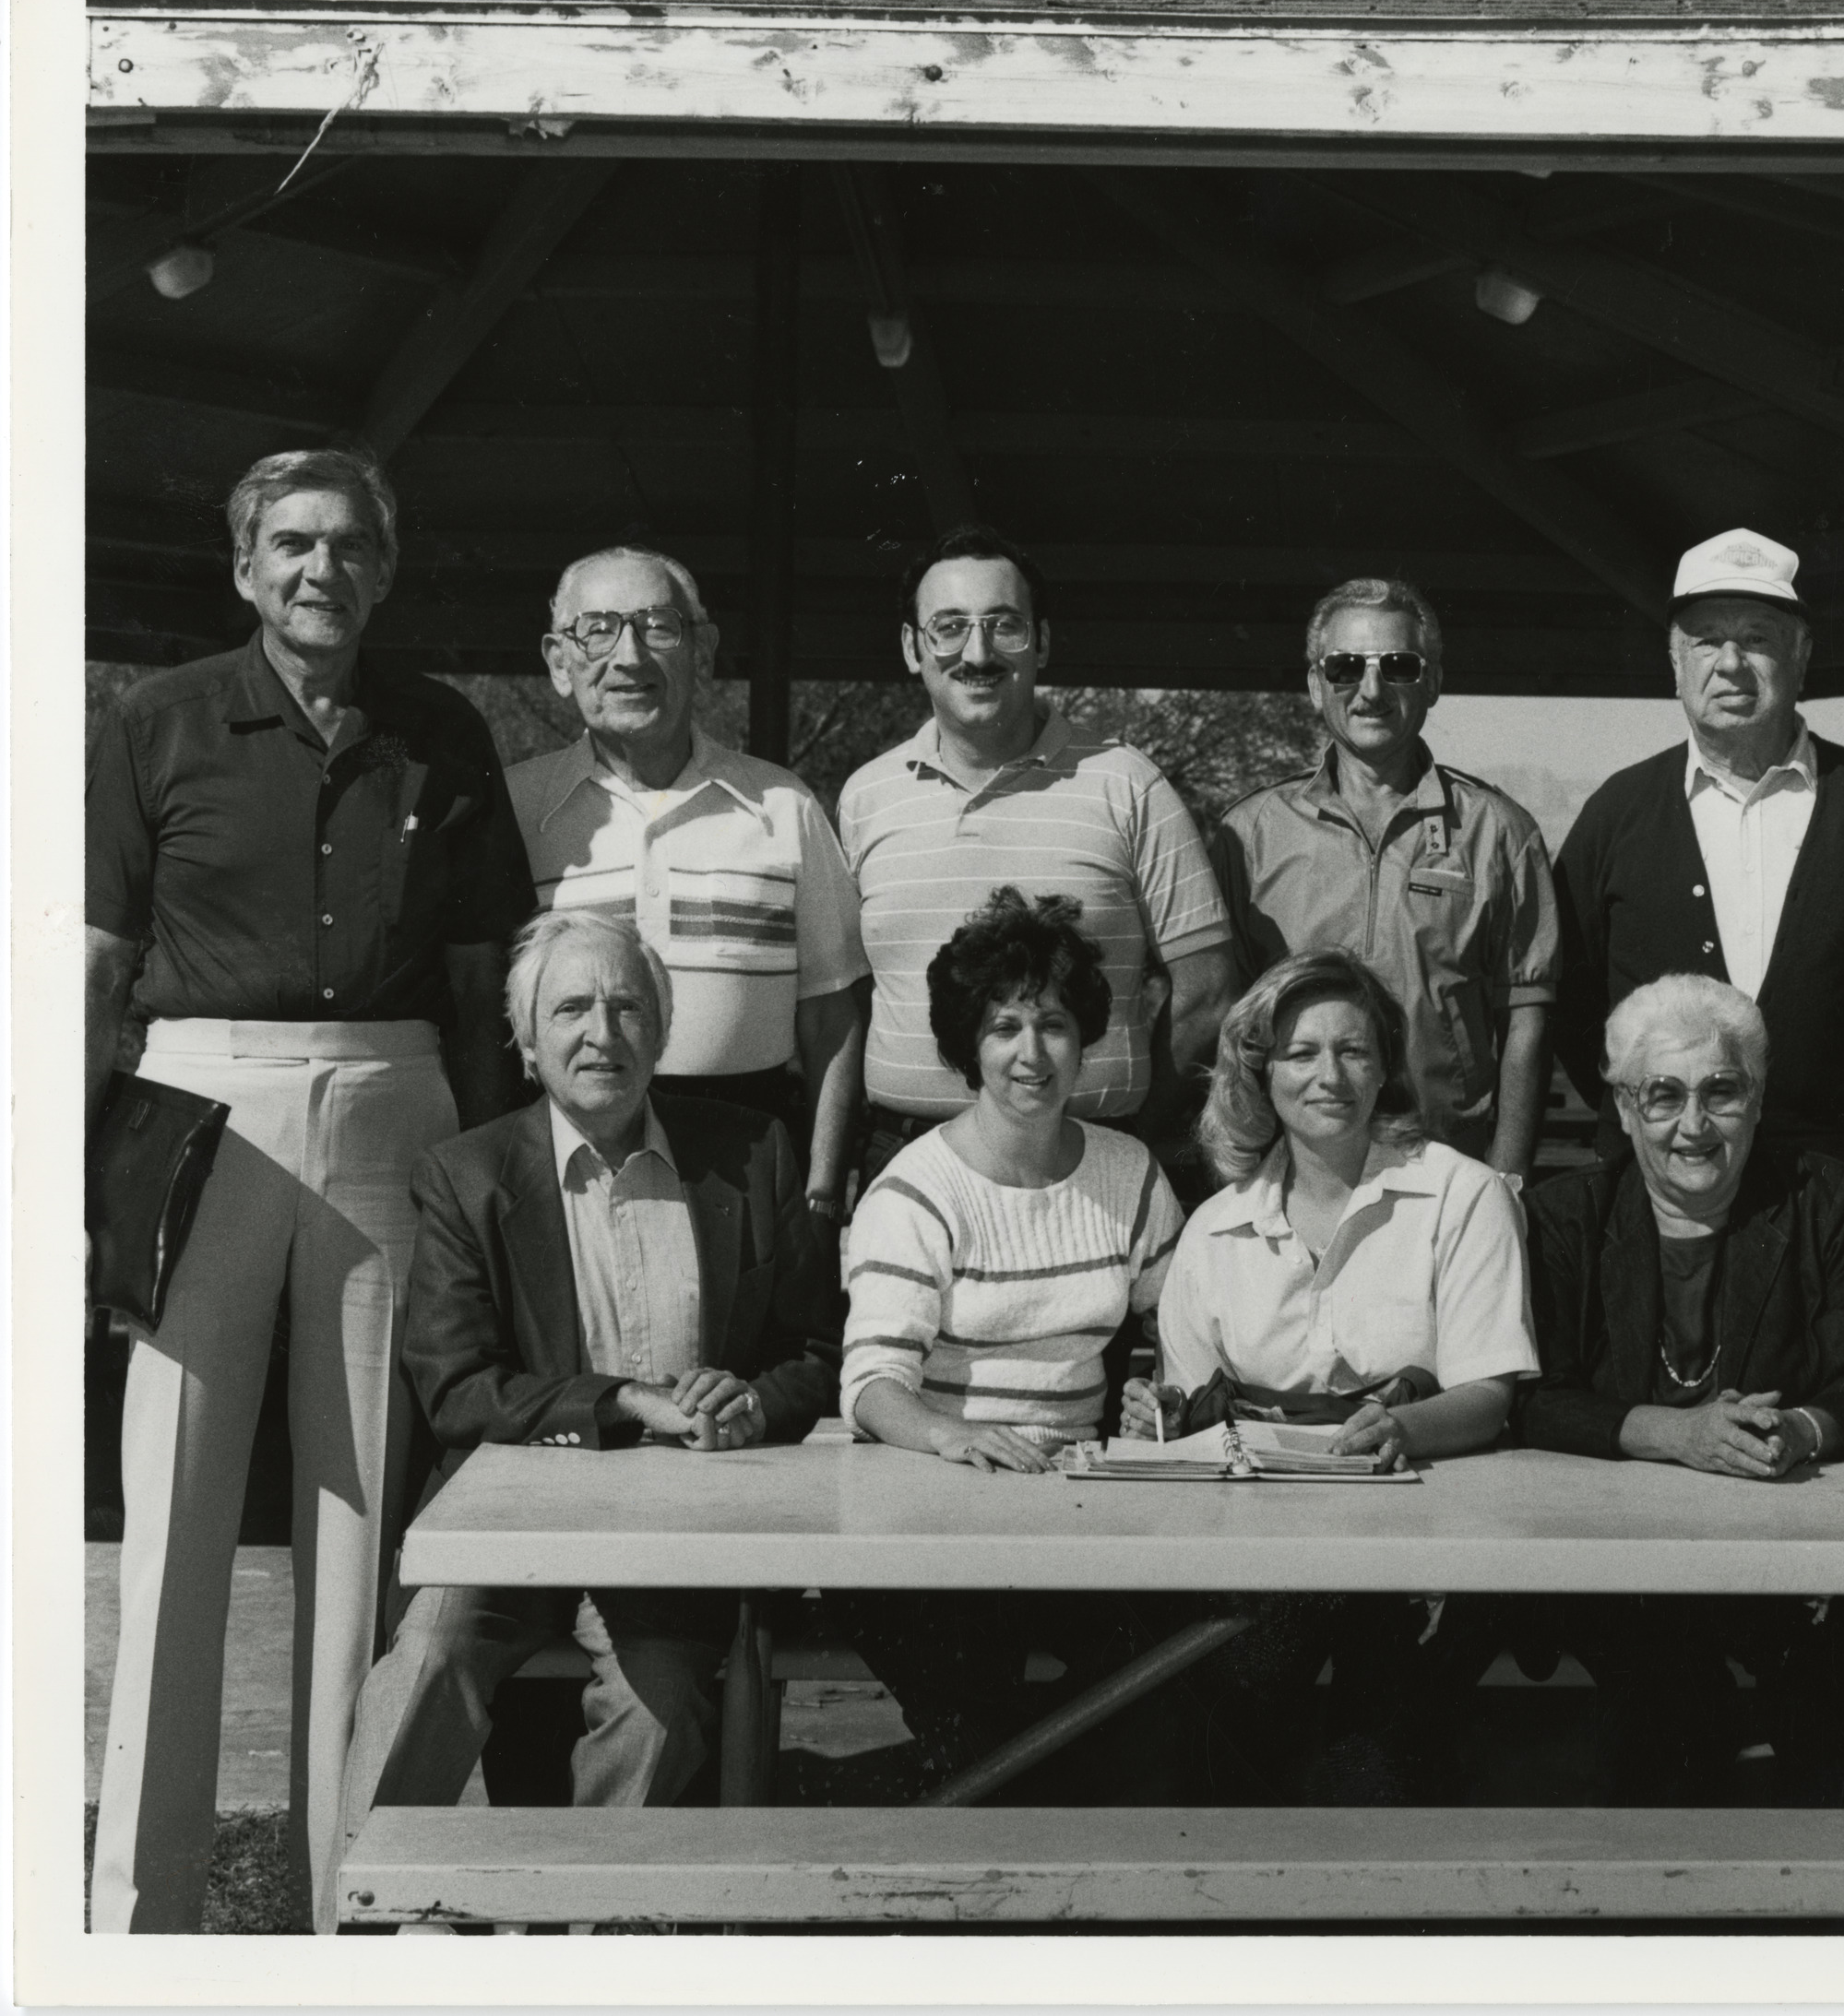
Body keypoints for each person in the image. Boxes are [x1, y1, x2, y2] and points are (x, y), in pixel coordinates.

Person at [85, 446, 533, 1933]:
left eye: (347, 544)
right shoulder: (152, 721)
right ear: (244, 566)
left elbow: (480, 989)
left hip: (394, 1099)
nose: (318, 569)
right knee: (176, 1510)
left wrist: (482, 1176)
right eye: (289, 543)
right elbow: (94, 968)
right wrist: (66, 1173)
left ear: (384, 569)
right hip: (196, 1098)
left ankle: (349, 1893)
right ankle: (138, 1910)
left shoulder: (443, 731)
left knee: (363, 1510)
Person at [330, 910, 839, 1923]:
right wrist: (618, 1401)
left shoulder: (753, 1153)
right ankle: (354, 1934)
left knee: (656, 1712)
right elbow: (457, 1385)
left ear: (661, 1030)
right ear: (525, 1042)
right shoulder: (466, 1174)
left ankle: (580, 1941)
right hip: (508, 1518)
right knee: (421, 1668)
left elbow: (817, 1352)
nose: (599, 1029)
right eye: (569, 1007)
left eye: (625, 1005)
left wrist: (750, 1401)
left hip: (674, 1529)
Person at [1120, 949, 1538, 1798]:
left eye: (1353, 1051)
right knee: (1215, 1735)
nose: (1329, 1075)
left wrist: (1402, 1426)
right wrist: (1156, 1415)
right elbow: (1194, 1409)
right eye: (1301, 1053)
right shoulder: (1216, 1225)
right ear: (1261, 1069)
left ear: (1386, 1064)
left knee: (1370, 1768)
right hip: (1261, 1549)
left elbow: (1490, 1396)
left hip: (1421, 1544)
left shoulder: (1462, 1194)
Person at [1515, 973, 1844, 1803]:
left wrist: (1796, 1431)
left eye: (1720, 1092)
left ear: (1758, 1098)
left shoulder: (1823, 1201)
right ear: (1623, 1108)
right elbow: (1532, 1397)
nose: (1692, 1125)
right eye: (1661, 1095)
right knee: (1663, 1711)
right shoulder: (1566, 1216)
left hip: (1787, 1555)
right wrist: (1676, 1435)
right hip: (1611, 1567)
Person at [837, 888, 1186, 1787]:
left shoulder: (1130, 1174)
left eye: (1055, 1025)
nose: (1031, 1054)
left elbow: (1185, 1330)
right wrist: (951, 1435)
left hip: (1083, 1523)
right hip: (930, 1530)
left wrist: (1167, 1394)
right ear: (967, 1044)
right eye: (1003, 1027)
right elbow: (872, 1383)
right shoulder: (915, 1192)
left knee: (1163, 1683)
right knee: (988, 1725)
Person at [1553, 528, 1844, 1261]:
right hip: (1659, 1186)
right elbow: (1570, 990)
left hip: (1841, 1179)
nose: (1731, 664)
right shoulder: (1616, 812)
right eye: (1707, 641)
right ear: (1674, 663)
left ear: (1801, 657)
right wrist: (1652, 1117)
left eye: (1758, 638)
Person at [838, 525, 1234, 1188]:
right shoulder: (864, 797)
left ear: (1042, 642)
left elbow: (1209, 991)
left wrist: (1140, 1137)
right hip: (905, 1159)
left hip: (1092, 1158)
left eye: (1005, 626)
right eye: (949, 627)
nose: (978, 651)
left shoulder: (1129, 785)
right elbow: (846, 994)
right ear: (912, 647)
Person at [508, 545, 867, 1219]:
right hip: (567, 1165)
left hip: (749, 1166)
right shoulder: (515, 810)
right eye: (598, 630)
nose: (629, 656)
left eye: (657, 627)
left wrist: (819, 1193)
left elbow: (832, 1016)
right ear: (559, 662)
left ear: (701, 653)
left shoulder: (783, 806)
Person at [1211, 577, 1558, 1183]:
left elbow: (1527, 1023)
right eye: (1344, 667)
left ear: (1432, 683)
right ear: (1316, 686)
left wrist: (1506, 1181)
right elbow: (1221, 1019)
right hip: (1290, 1177)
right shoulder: (1248, 835)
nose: (1370, 690)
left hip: (1448, 1174)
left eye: (1397, 666)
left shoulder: (1500, 832)